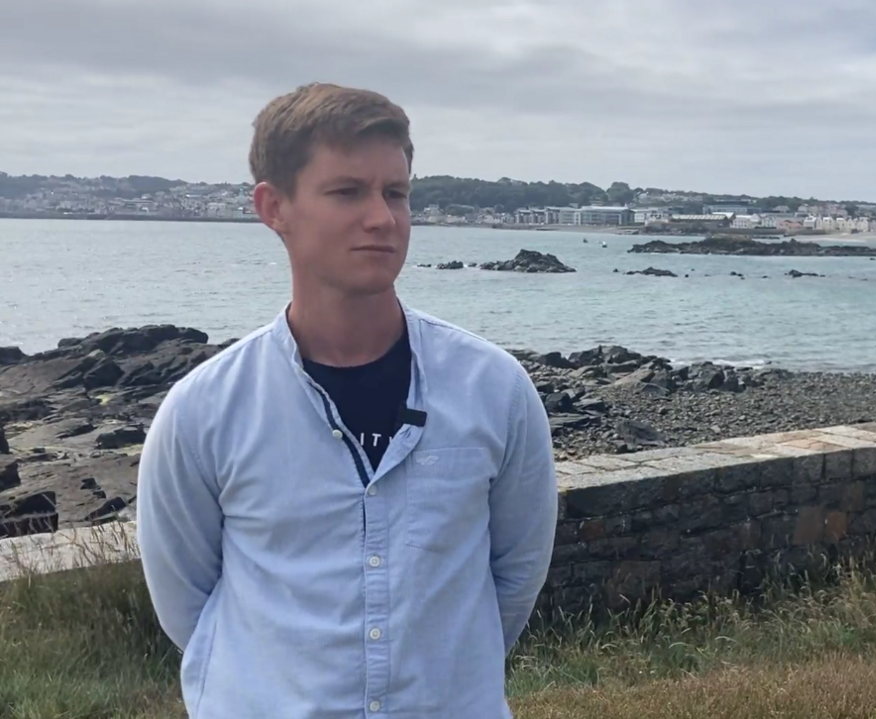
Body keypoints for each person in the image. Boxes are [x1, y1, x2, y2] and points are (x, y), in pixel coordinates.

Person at [135, 82, 559, 718]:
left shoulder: (494, 390)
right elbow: (186, 603)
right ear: (273, 207)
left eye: (396, 193)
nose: (382, 218)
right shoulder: (204, 412)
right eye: (347, 192)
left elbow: (516, 575)